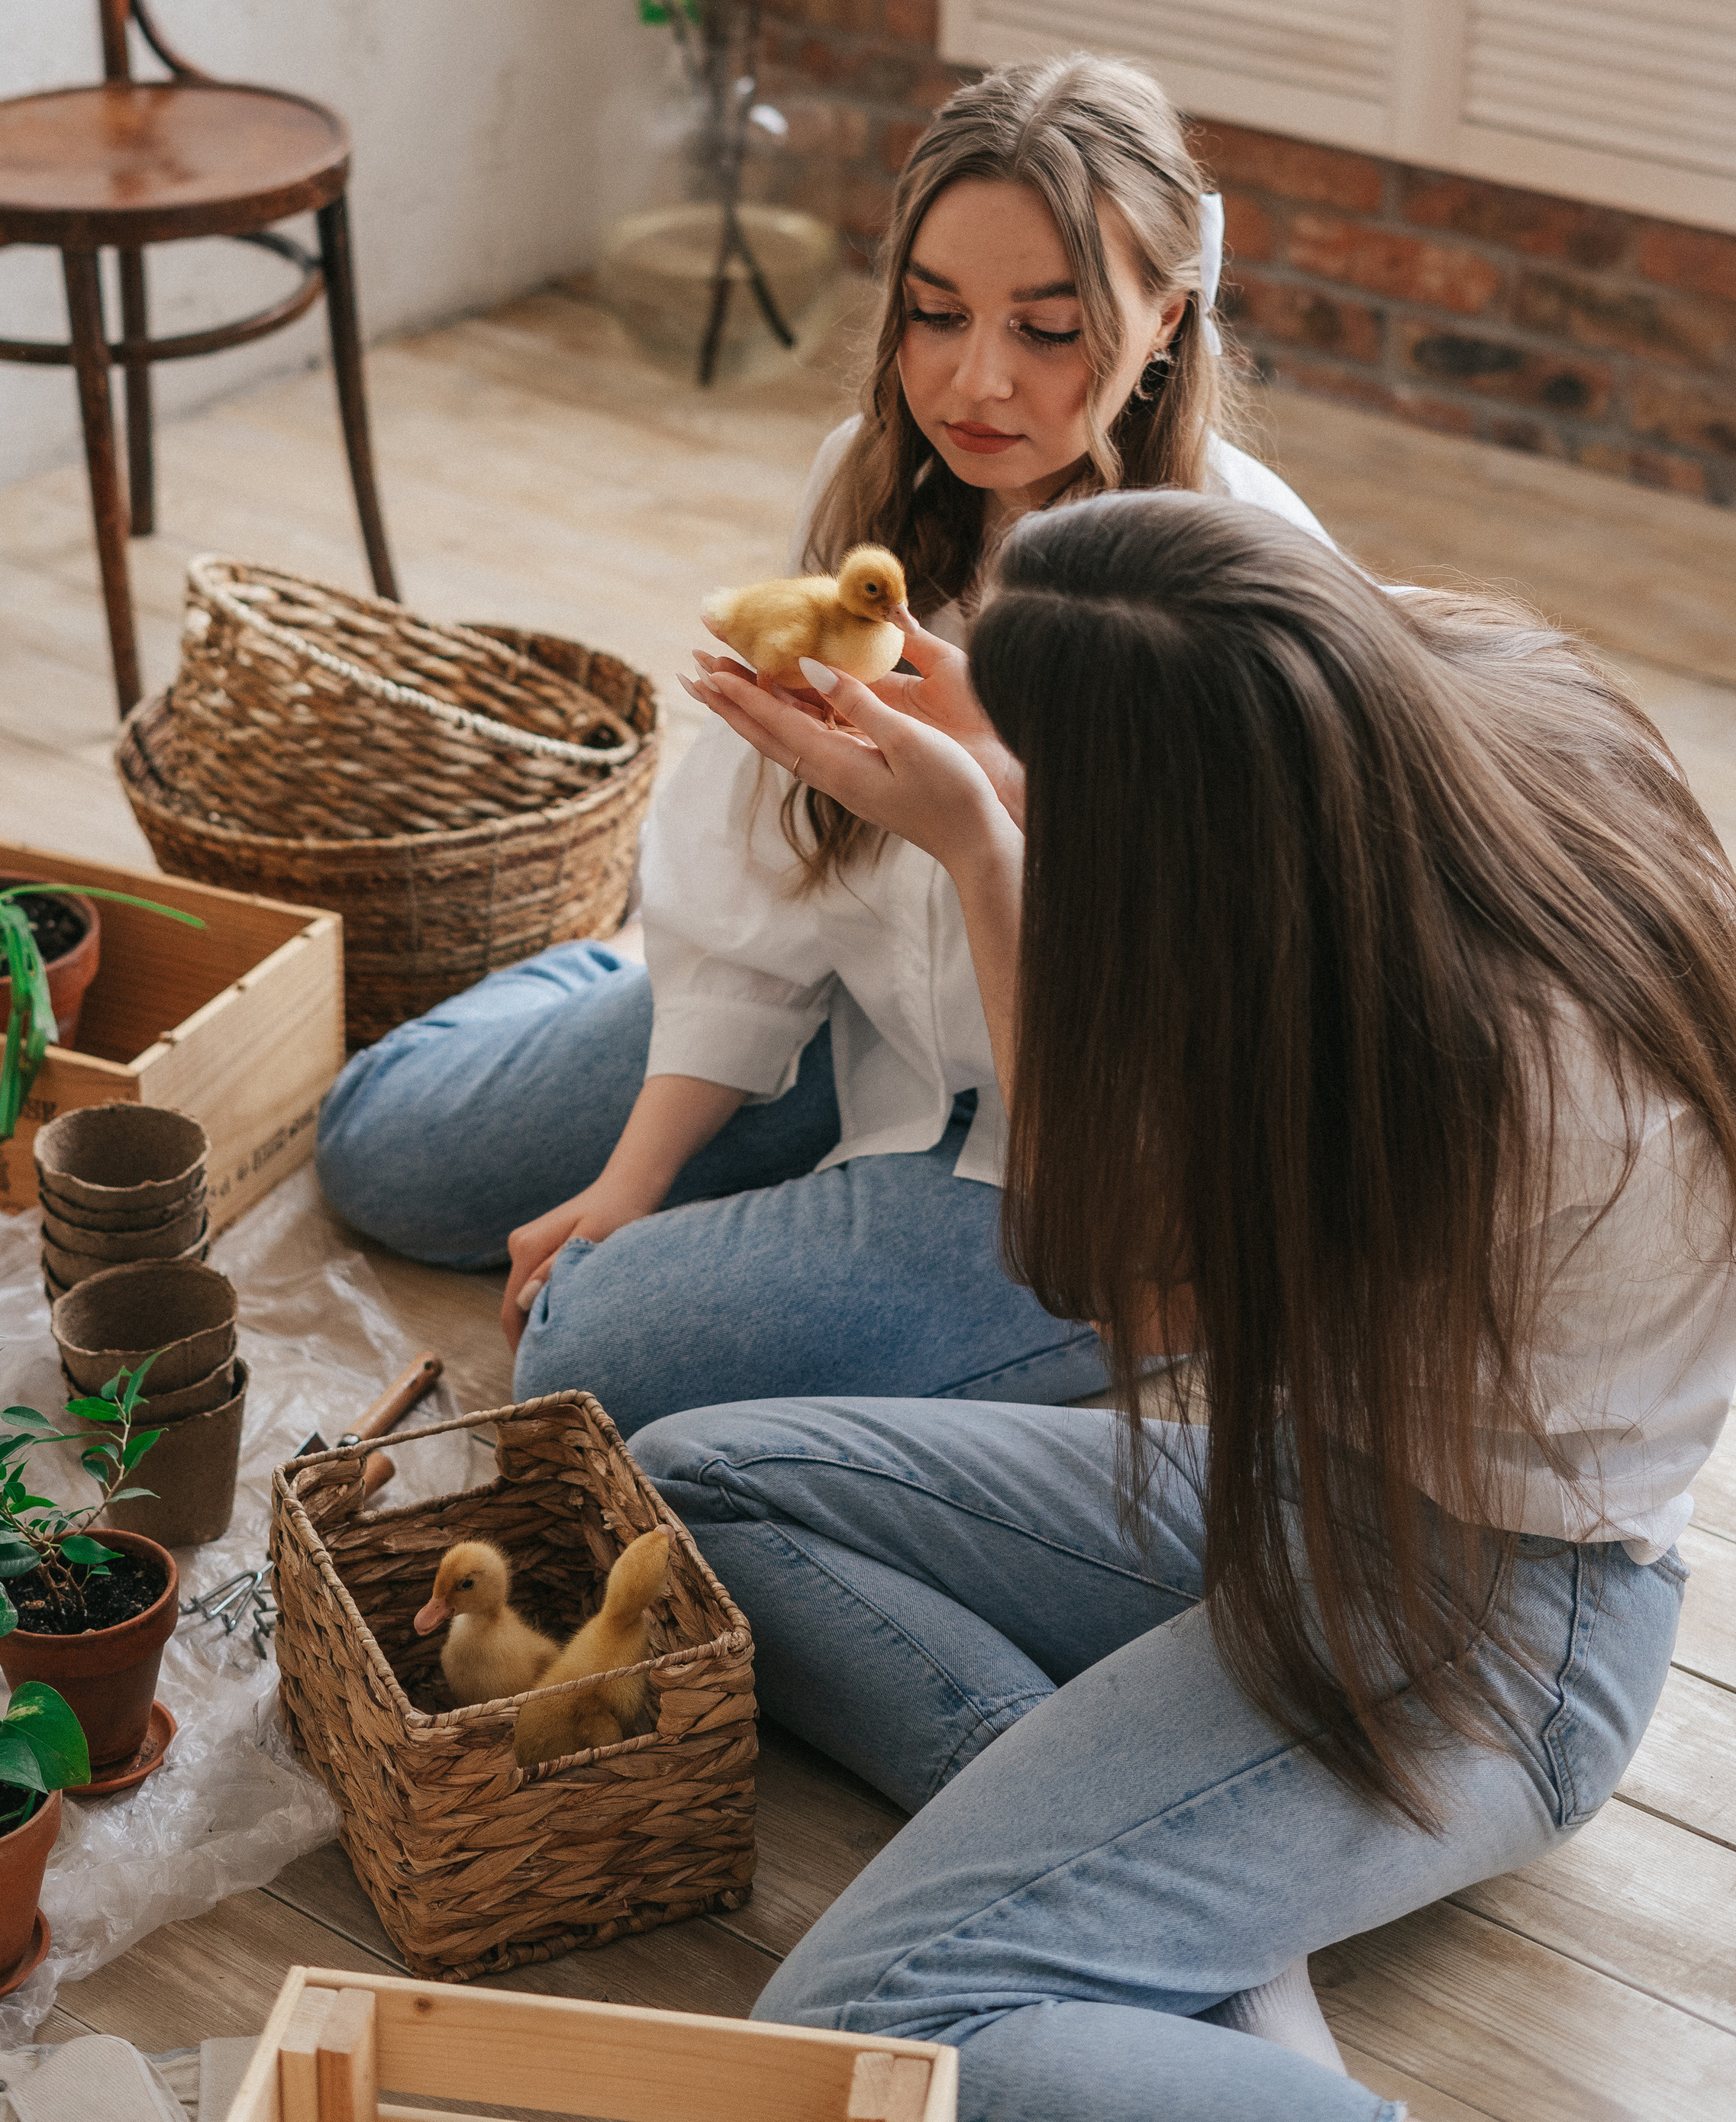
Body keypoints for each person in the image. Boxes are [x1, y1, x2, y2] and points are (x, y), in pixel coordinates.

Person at [635, 494, 1736, 2121]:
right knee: (683, 1484)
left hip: (1498, 1618)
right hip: (1324, 1477)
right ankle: (1183, 1895)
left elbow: (1110, 1271)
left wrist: (982, 845)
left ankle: (1160, 1890)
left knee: (867, 2038)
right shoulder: (1471, 696)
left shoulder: (1463, 1064)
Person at [315, 53, 1331, 1435]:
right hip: (862, 1021)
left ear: (1167, 319)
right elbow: (767, 872)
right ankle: (623, 979)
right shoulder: (872, 487)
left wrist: (1002, 809)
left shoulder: (1237, 590)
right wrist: (632, 1179)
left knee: (584, 1350)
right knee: (381, 1152)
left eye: (1050, 330)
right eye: (934, 313)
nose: (976, 381)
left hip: (1077, 1172)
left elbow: (1234, 1042)